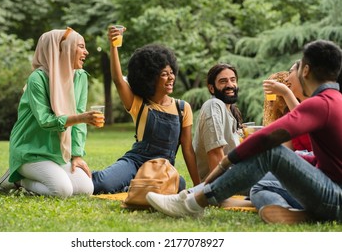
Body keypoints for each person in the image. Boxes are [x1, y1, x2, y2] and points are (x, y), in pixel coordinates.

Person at [146, 39, 342, 224]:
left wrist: (227, 161)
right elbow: (323, 160)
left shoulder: (321, 103)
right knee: (260, 183)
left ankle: (192, 203)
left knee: (270, 151)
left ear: (305, 70)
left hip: (334, 197)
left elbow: (267, 137)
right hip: (331, 193)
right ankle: (191, 195)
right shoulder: (335, 100)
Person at [92, 26, 200, 194]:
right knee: (102, 184)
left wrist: (200, 186)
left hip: (161, 169)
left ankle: (131, 188)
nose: (171, 77)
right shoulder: (140, 104)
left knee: (179, 184)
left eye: (172, 72)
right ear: (150, 78)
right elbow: (118, 80)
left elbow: (187, 149)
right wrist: (113, 46)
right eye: (164, 74)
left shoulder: (182, 108)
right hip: (135, 162)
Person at [0, 27, 103, 198]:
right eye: (81, 46)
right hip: (30, 151)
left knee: (85, 189)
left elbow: (79, 121)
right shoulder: (37, 79)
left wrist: (76, 155)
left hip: (57, 153)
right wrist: (79, 118)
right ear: (62, 49)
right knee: (61, 191)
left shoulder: (80, 77)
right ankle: (17, 179)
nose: (86, 52)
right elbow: (45, 121)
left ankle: (27, 178)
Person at [250, 60, 315, 212]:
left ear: (303, 75)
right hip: (303, 178)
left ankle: (201, 194)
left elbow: (305, 121)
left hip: (319, 181)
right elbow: (284, 153)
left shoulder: (318, 106)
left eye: (290, 72)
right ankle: (288, 212)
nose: (286, 79)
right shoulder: (291, 117)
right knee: (256, 185)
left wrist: (285, 92)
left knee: (256, 182)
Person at [193, 63, 243, 182]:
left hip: (237, 176)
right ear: (211, 88)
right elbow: (215, 153)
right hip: (220, 182)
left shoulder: (231, 113)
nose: (230, 85)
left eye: (233, 80)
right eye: (223, 81)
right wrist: (220, 190)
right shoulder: (213, 105)